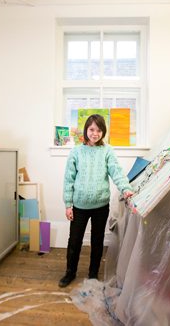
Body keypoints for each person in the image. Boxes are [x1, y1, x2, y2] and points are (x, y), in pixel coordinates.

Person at [59, 114, 134, 288]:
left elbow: (116, 171)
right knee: (74, 240)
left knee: (97, 240)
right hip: (79, 205)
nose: (95, 133)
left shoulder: (107, 150)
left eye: (99, 130)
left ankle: (93, 273)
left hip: (100, 205)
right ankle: (70, 272)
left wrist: (126, 188)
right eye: (92, 129)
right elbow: (68, 180)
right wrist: (68, 205)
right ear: (86, 130)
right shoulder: (76, 151)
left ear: (103, 132)